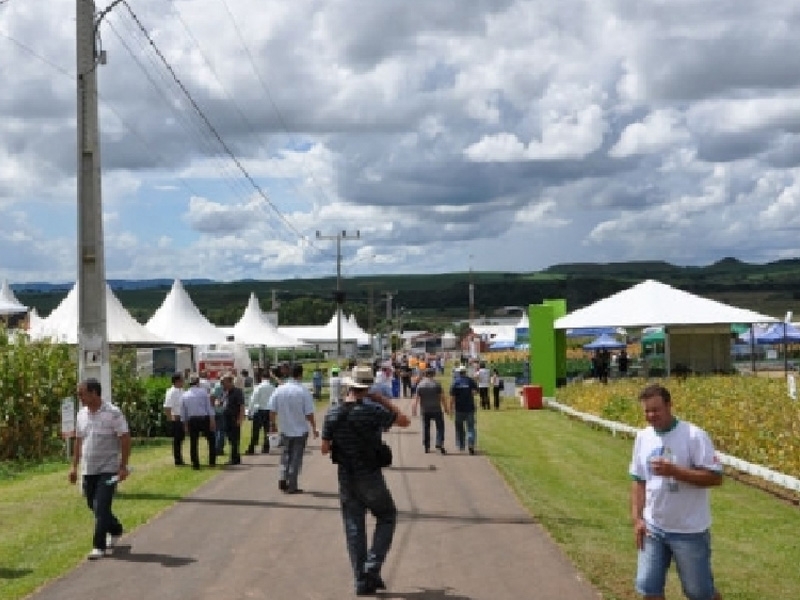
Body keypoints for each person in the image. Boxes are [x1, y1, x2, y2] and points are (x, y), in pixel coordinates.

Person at [321, 366, 411, 596]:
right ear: (368, 387)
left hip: (346, 476)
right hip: (370, 473)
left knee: (354, 527)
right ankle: (372, 564)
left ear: (349, 386)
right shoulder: (372, 411)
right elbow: (404, 421)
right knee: (387, 516)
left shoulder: (333, 413)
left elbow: (324, 448)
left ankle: (361, 580)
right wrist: (384, 401)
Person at [629, 384, 724, 600]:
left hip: (689, 531)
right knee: (649, 588)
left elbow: (715, 478)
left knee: (700, 593)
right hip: (654, 528)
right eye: (646, 411)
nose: (651, 415)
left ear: (670, 406)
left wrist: (674, 471)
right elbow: (638, 481)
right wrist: (637, 519)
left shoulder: (693, 436)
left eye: (656, 409)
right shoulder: (643, 438)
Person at [68, 378, 130, 560]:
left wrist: (123, 466)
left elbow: (125, 438)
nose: (80, 398)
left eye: (82, 394)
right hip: (89, 469)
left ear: (94, 393)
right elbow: (79, 441)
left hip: (109, 469)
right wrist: (74, 467)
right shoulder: (81, 415)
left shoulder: (113, 413)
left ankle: (99, 546)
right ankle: (116, 528)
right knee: (92, 505)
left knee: (101, 505)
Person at [268, 363, 319, 493]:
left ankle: (283, 476)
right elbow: (309, 413)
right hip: (300, 429)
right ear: (300, 375)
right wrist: (314, 427)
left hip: (285, 428)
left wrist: (273, 424)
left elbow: (272, 410)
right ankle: (292, 484)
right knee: (296, 457)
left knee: (286, 454)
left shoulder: (279, 389)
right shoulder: (303, 391)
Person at [180, 373, 217, 470]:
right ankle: (212, 461)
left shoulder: (185, 395)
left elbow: (183, 412)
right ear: (198, 382)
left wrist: (185, 425)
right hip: (204, 418)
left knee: (193, 442)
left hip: (192, 420)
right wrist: (212, 420)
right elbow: (209, 407)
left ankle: (195, 463)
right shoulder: (203, 393)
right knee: (211, 440)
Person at [412, 367, 448, 454]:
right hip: (436, 409)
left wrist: (414, 409)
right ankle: (439, 443)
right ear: (433, 375)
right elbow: (442, 397)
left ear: (425, 375)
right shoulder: (437, 384)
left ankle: (426, 445)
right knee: (440, 427)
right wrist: (446, 408)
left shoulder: (420, 385)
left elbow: (416, 399)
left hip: (425, 409)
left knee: (426, 427)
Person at [449, 365, 478, 454]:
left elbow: (452, 397)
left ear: (458, 373)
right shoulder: (470, 381)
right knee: (470, 427)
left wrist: (451, 408)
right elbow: (475, 391)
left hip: (459, 409)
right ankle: (471, 444)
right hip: (469, 408)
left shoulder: (455, 382)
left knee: (459, 428)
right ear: (465, 372)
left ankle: (461, 445)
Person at [246, 373, 275, 455]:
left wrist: (249, 410)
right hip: (269, 410)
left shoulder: (259, 387)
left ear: (262, 378)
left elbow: (253, 399)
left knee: (255, 431)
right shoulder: (272, 387)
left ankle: (252, 448)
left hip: (259, 410)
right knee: (267, 430)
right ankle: (266, 447)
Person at [220, 372, 245, 465]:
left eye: (224, 382)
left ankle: (234, 458)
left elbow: (241, 406)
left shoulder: (237, 392)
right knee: (231, 439)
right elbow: (223, 402)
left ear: (230, 382)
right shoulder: (225, 392)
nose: (223, 384)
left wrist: (240, 419)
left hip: (234, 418)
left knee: (234, 439)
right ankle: (236, 457)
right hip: (227, 418)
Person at [163, 372, 185, 466]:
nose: (183, 381)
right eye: (181, 380)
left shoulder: (182, 391)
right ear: (177, 381)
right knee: (177, 440)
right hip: (175, 418)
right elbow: (167, 407)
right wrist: (171, 419)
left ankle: (180, 457)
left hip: (182, 419)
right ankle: (178, 460)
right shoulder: (171, 392)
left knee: (181, 439)